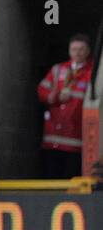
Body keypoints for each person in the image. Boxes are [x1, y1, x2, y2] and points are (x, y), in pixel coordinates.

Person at [37, 34, 94, 179]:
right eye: (74, 49)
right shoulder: (58, 69)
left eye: (81, 49)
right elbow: (42, 91)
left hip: (76, 138)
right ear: (69, 51)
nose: (77, 53)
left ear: (88, 51)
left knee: (71, 179)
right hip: (53, 136)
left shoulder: (92, 73)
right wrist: (55, 96)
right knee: (51, 177)